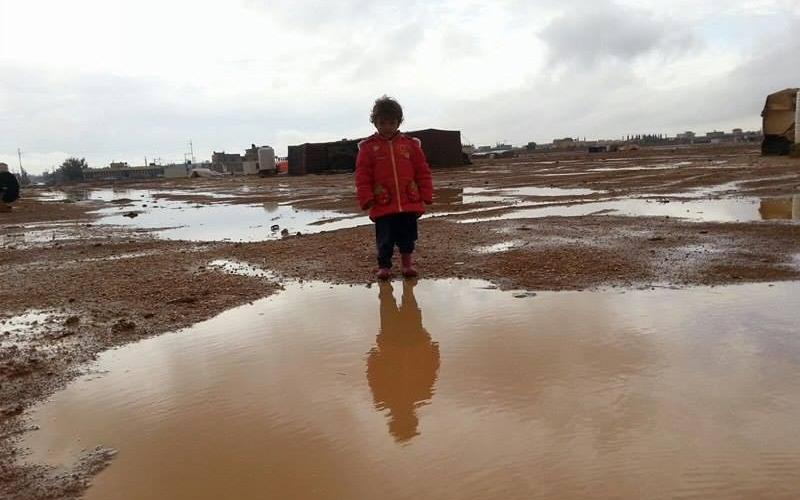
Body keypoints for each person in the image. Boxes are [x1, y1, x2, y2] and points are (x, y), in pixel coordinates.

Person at [355, 95, 433, 280]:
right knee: (385, 238)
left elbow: (422, 171)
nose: (387, 127)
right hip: (383, 202)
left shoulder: (411, 145)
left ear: (399, 122)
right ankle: (384, 266)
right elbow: (362, 175)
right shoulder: (367, 148)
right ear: (375, 123)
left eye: (391, 122)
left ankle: (407, 264)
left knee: (407, 236)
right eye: (382, 123)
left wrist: (426, 193)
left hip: (409, 200)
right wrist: (365, 197)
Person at [366, 280, 440, 443]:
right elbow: (431, 367)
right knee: (403, 309)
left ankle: (400, 291)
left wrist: (372, 357)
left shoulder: (384, 398)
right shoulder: (421, 394)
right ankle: (405, 291)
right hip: (412, 342)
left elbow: (373, 374)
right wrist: (433, 349)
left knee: (391, 307)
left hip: (394, 343)